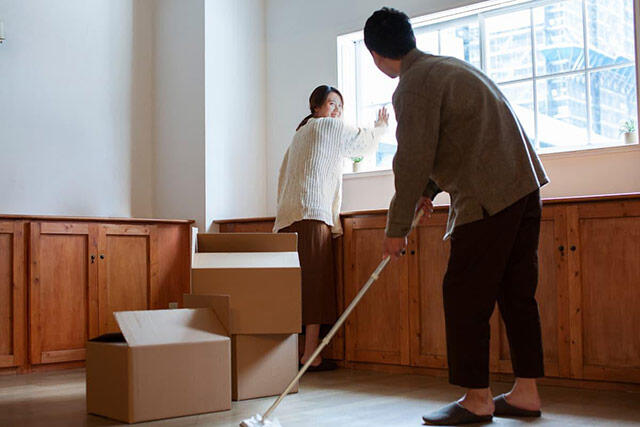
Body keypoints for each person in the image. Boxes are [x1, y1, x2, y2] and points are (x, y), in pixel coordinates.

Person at [364, 7, 549, 425]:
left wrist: (395, 229)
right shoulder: (448, 67)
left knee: (464, 294)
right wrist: (428, 192)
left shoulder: (412, 86)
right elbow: (454, 142)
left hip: (489, 198)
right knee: (517, 293)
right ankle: (526, 393)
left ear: (375, 56)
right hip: (525, 188)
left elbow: (411, 160)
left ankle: (478, 399)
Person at [274, 85, 388, 371]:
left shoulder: (299, 134)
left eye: (340, 106)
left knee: (292, 289)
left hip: (287, 219)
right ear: (317, 107)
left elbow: (283, 174)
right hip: (312, 214)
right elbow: (362, 143)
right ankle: (311, 355)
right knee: (315, 286)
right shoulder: (328, 126)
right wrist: (381, 127)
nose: (336, 111)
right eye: (331, 104)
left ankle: (297, 353)